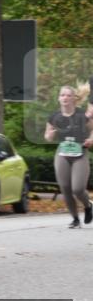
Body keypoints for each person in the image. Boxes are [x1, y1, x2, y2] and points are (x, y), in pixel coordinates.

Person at [44, 85, 93, 229]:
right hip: (62, 153)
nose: (65, 97)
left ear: (73, 99)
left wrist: (91, 140)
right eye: (62, 95)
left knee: (77, 189)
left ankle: (88, 205)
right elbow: (47, 136)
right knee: (65, 188)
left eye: (68, 95)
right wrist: (50, 135)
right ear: (59, 98)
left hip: (80, 153)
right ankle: (75, 219)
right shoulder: (54, 117)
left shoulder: (82, 115)